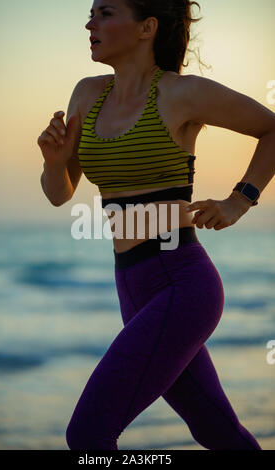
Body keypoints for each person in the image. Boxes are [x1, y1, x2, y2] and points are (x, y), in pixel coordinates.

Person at [38, 0, 275, 450]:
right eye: (91, 13)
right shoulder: (86, 94)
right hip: (131, 286)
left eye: (106, 12)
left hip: (183, 285)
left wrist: (239, 200)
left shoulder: (180, 93)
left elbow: (272, 129)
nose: (90, 23)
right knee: (217, 431)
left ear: (147, 27)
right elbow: (59, 192)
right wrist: (53, 163)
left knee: (87, 435)